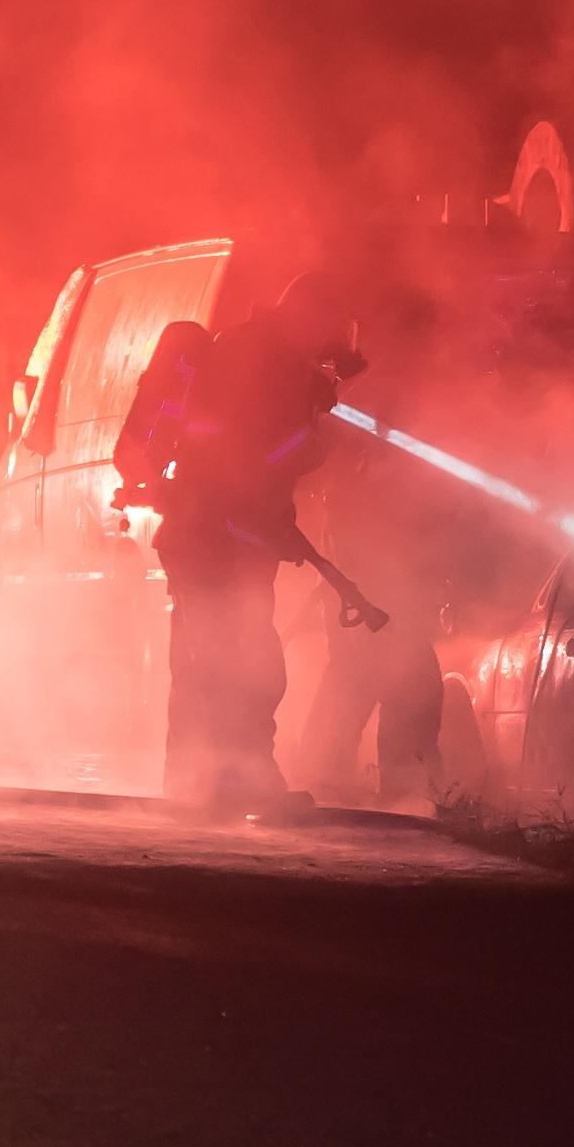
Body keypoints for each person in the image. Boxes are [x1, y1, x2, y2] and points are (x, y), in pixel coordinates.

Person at [119, 275, 377, 812]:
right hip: (222, 535)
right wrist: (319, 436)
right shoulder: (271, 364)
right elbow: (267, 454)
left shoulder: (243, 349)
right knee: (243, 659)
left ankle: (195, 784)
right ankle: (239, 775)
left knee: (201, 660)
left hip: (204, 532)